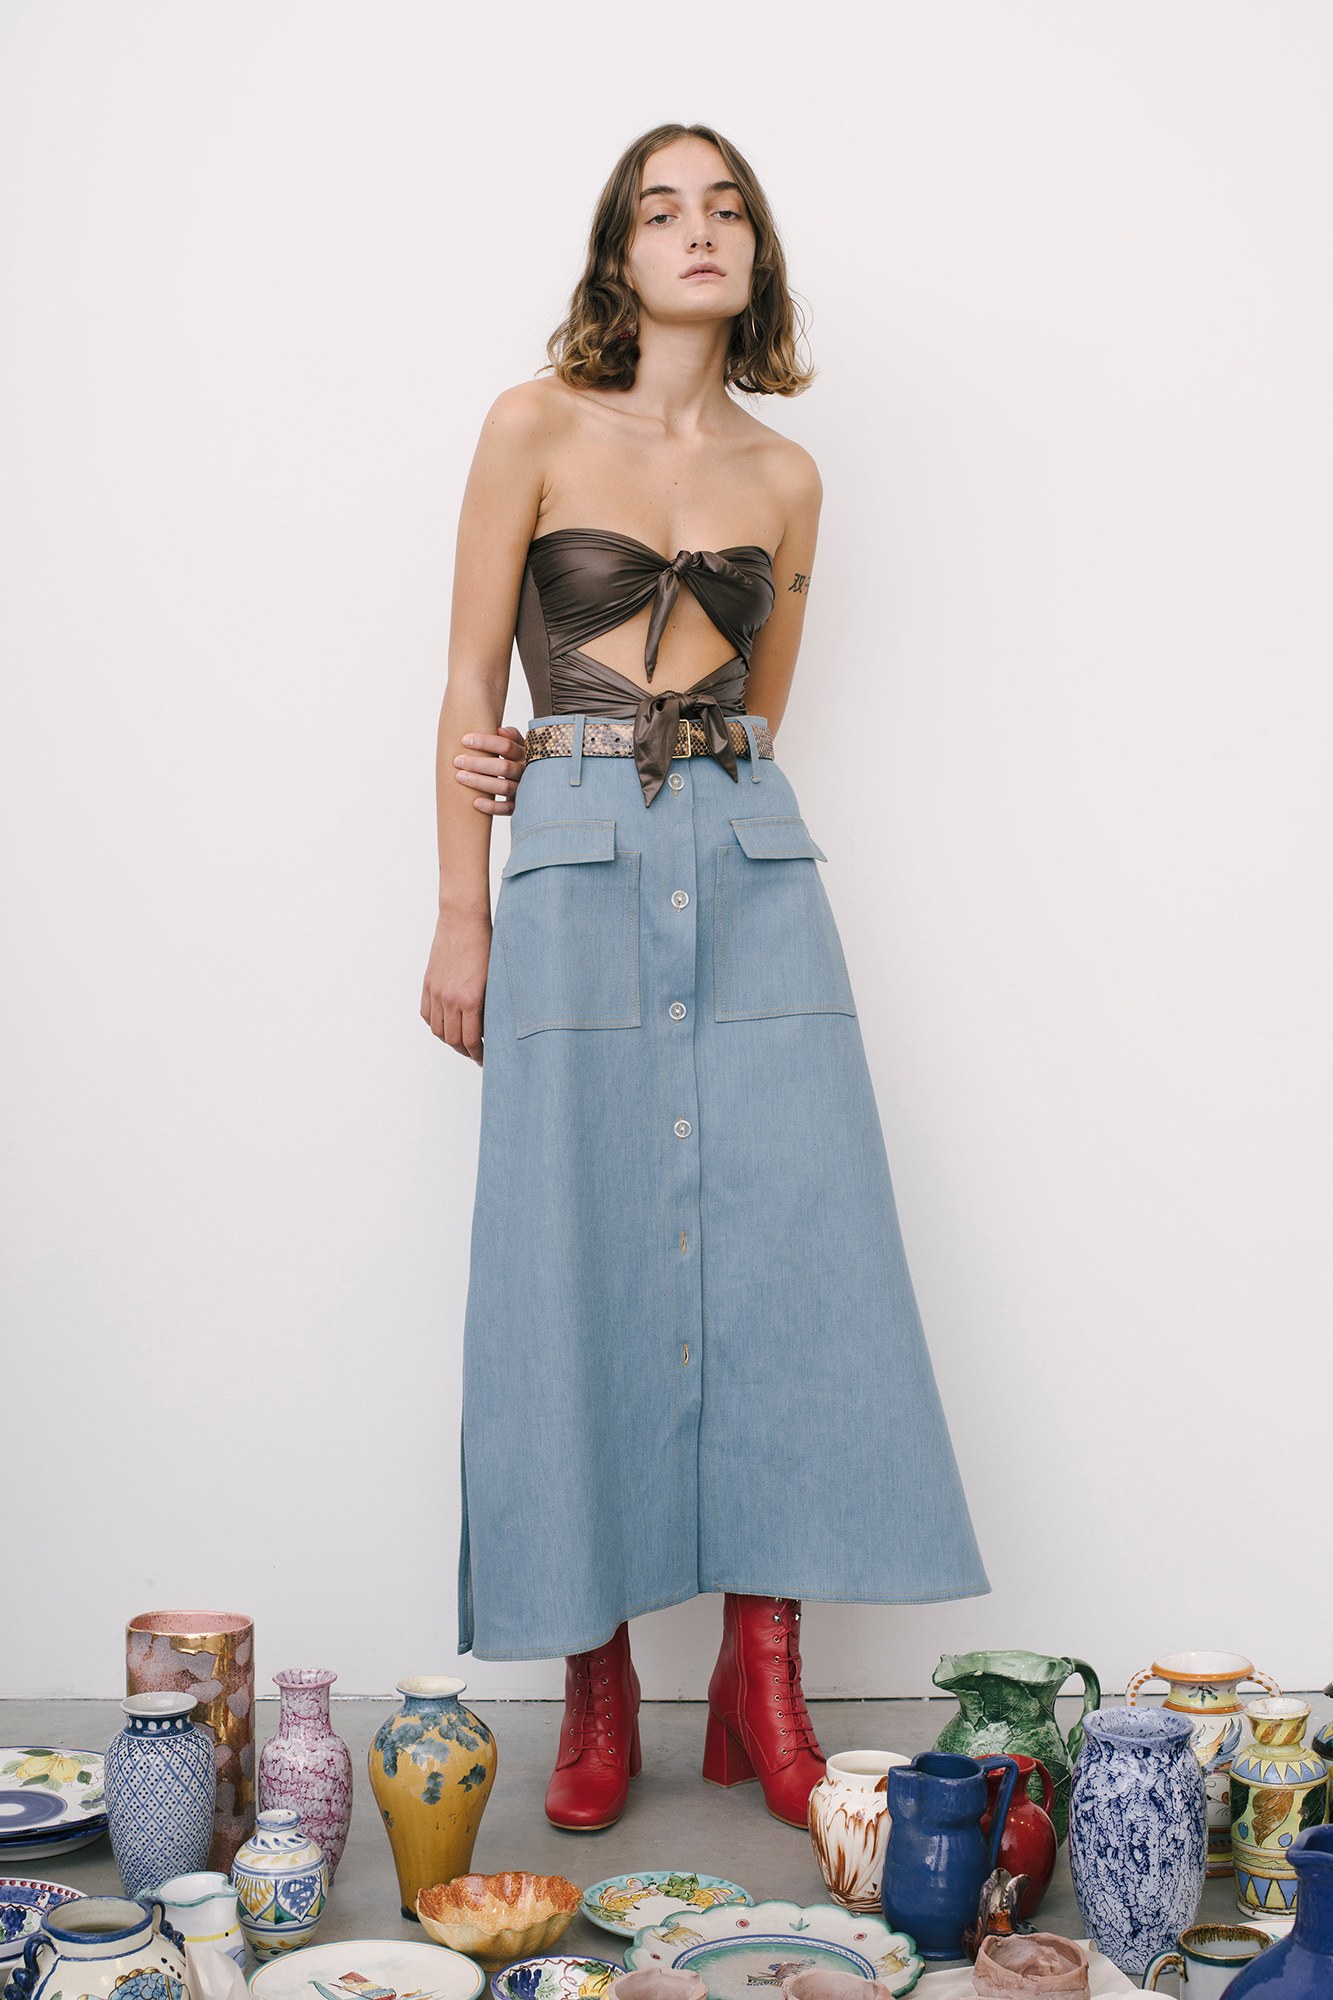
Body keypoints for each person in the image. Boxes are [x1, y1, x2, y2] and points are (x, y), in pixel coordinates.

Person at [420, 121, 989, 1836]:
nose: (697, 231)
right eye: (661, 209)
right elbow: (468, 690)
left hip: (749, 862)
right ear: (619, 253)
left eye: (725, 208)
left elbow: (765, 704)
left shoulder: (786, 477)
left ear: (756, 255)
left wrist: (700, 790)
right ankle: (597, 1687)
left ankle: (764, 1675)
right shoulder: (530, 425)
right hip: (575, 857)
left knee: (795, 1253)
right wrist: (462, 914)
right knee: (567, 1250)